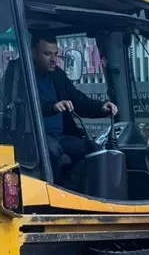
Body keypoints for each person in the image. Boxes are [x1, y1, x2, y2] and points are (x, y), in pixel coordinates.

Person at [26, 34, 118, 177]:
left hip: (61, 136)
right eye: (47, 54)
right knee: (52, 151)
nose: (53, 59)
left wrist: (101, 108)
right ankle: (56, 187)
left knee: (96, 151)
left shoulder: (57, 74)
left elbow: (77, 99)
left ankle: (77, 186)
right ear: (33, 52)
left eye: (55, 54)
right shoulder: (21, 75)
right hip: (34, 137)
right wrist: (52, 107)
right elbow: (24, 106)